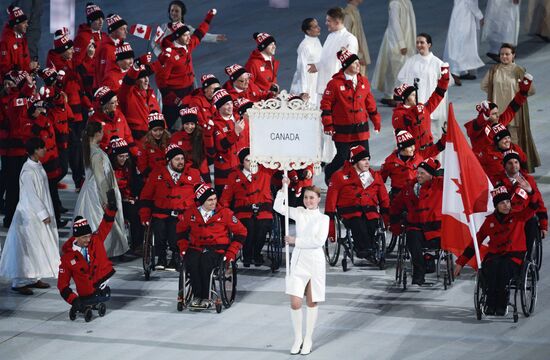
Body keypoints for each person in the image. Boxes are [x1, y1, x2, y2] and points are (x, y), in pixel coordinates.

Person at [454, 186, 539, 316]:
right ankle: (490, 303)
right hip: (495, 256)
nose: (506, 205)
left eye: (507, 202)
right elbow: (475, 243)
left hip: (514, 256)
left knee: (504, 269)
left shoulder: (518, 216)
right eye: (502, 203)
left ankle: (501, 304)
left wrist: (531, 192)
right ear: (496, 206)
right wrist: (461, 262)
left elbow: (533, 207)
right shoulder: (490, 221)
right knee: (491, 268)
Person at [273, 177, 329, 355]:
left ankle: (308, 337)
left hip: (315, 262)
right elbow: (278, 207)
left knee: (312, 301)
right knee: (296, 302)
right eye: (306, 198)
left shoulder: (324, 218)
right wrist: (284, 187)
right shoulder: (298, 212)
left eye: (312, 198)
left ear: (318, 199)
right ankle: (298, 337)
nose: (308, 201)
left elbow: (318, 241)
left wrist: (295, 240)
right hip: (298, 262)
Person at [0, 138, 59, 295]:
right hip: (29, 216)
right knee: (26, 247)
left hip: (36, 216)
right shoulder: (27, 170)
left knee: (37, 246)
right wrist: (43, 213)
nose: (45, 150)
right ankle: (19, 281)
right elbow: (31, 195)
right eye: (42, 148)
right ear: (35, 150)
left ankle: (33, 277)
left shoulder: (37, 166)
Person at [176, 183, 246, 309]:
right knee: (191, 261)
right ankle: (197, 296)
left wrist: (231, 252)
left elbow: (241, 232)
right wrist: (183, 247)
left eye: (215, 199)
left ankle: (206, 297)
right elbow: (180, 231)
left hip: (218, 249)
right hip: (196, 247)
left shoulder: (225, 213)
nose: (213, 202)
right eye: (210, 200)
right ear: (202, 201)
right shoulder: (190, 213)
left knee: (206, 261)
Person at [320, 48, 380, 185]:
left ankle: (364, 186)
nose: (359, 66)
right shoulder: (334, 84)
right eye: (355, 63)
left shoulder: (364, 81)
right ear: (347, 66)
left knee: (364, 157)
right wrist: (328, 124)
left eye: (358, 63)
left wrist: (376, 121)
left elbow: (370, 102)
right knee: (343, 158)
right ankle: (330, 171)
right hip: (343, 130)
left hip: (361, 129)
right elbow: (326, 105)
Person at [139, 144, 202, 270]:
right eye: (177, 159)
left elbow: (201, 194)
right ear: (169, 160)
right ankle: (161, 257)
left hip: (183, 214)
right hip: (161, 212)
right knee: (159, 228)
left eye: (182, 159)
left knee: (175, 228)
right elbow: (146, 196)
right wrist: (144, 215)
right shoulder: (157, 173)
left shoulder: (193, 173)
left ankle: (176, 256)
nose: (181, 162)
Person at [481, 44, 539, 173]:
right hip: (497, 116)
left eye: (507, 54)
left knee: (513, 143)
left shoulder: (519, 70)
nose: (504, 56)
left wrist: (517, 96)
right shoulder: (494, 70)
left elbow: (531, 90)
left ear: (513, 55)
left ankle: (516, 171)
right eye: (502, 54)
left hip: (514, 114)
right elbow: (484, 85)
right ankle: (500, 169)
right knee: (497, 143)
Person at [325, 145, 390, 261]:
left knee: (372, 223)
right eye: (363, 160)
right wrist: (330, 228)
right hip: (349, 211)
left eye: (368, 160)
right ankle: (364, 249)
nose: (367, 163)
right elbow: (330, 201)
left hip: (370, 210)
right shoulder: (339, 176)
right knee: (358, 223)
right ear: (354, 162)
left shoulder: (375, 176)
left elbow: (384, 198)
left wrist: (386, 217)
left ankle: (369, 248)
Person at [74, 121, 128, 258]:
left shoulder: (88, 148)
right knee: (101, 223)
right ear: (97, 133)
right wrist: (106, 200)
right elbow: (100, 178)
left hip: (88, 192)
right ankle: (101, 251)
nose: (103, 133)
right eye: (102, 131)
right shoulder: (96, 153)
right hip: (97, 193)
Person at [156, 9, 216, 130]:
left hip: (189, 90)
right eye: (185, 35)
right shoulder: (170, 55)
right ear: (177, 37)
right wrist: (174, 99)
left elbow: (199, 33)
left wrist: (209, 17)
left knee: (190, 121)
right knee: (168, 125)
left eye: (189, 35)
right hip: (174, 96)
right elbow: (160, 80)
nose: (189, 38)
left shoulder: (187, 46)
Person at [57, 191, 118, 309]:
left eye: (89, 235)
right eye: (84, 237)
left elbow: (105, 225)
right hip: (84, 291)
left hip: (101, 280)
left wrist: (111, 209)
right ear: (76, 237)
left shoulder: (96, 239)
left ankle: (101, 291)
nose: (88, 239)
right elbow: (62, 284)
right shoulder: (67, 258)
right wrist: (73, 300)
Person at [390, 158, 443, 285]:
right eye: (417, 172)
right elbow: (396, 206)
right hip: (415, 227)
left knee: (434, 242)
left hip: (435, 229)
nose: (418, 175)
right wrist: (394, 224)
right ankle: (419, 271)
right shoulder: (408, 188)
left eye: (422, 173)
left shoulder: (440, 185)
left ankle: (429, 260)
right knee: (412, 238)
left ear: (431, 175)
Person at [220, 148, 276, 267]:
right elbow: (225, 198)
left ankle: (257, 254)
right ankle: (247, 255)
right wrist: (223, 213)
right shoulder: (233, 175)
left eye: (253, 160)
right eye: (247, 160)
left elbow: (281, 162)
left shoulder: (266, 170)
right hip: (243, 210)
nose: (251, 163)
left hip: (264, 209)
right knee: (248, 228)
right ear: (242, 162)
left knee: (262, 228)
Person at [397, 33, 453, 138]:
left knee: (434, 136)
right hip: (416, 108)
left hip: (432, 106)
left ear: (429, 45)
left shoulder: (437, 63)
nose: (419, 45)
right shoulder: (411, 61)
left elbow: (449, 81)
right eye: (417, 42)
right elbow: (402, 78)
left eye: (422, 42)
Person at [494, 150, 548, 259]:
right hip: (505, 216)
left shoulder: (528, 180)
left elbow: (539, 203)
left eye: (516, 162)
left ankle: (527, 257)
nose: (514, 165)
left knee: (532, 221)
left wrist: (543, 225)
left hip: (524, 216)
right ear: (504, 165)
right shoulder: (497, 180)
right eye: (510, 163)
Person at [465, 73, 532, 155]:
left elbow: (512, 108)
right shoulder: (477, 127)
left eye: (497, 113)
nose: (497, 116)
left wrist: (522, 93)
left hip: (500, 160)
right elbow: (475, 127)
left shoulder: (500, 121)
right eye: (493, 114)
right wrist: (484, 117)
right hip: (482, 163)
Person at [392, 63, 450, 149]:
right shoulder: (398, 115)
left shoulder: (422, 108)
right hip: (414, 154)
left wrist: (444, 79)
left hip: (429, 151)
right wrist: (413, 115)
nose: (415, 97)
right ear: (405, 98)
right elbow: (401, 136)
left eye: (415, 94)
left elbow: (438, 95)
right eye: (412, 95)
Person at [372, 0, 416, 107]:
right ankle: (397, 96)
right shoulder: (395, 3)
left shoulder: (406, 2)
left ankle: (390, 95)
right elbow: (394, 24)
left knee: (394, 69)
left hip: (406, 39)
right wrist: (401, 43)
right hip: (395, 41)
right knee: (397, 69)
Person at [380, 129, 446, 197]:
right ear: (402, 148)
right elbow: (379, 181)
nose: (413, 148)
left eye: (413, 145)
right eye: (409, 147)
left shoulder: (418, 155)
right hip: (398, 196)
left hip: (416, 194)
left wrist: (446, 135)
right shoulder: (390, 161)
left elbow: (435, 148)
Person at [150, 0, 227, 57]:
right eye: (172, 10)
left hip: (185, 63)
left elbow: (199, 34)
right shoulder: (163, 27)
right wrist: (161, 55)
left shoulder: (186, 29)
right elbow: (154, 42)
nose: (173, 13)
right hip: (169, 65)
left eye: (176, 11)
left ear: (182, 13)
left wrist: (215, 37)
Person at [312, 7, 358, 98]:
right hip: (323, 86)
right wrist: (317, 66)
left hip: (338, 89)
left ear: (337, 22)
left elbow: (351, 66)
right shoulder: (330, 37)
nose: (326, 23)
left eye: (329, 21)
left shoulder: (349, 39)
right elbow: (327, 58)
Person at [108, 137, 142, 255]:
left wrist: (133, 197)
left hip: (128, 200)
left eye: (125, 156)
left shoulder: (130, 165)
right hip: (113, 201)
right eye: (120, 156)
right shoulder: (108, 168)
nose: (123, 159)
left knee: (136, 213)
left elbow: (136, 183)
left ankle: (137, 244)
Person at [211, 89, 248, 196]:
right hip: (225, 171)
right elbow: (221, 145)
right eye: (226, 104)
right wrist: (235, 132)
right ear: (219, 106)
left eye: (231, 103)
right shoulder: (216, 124)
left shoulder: (239, 119)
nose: (230, 106)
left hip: (242, 167)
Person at [443, 0, 485, 82]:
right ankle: (455, 71)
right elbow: (470, 2)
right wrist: (480, 16)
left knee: (462, 42)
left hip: (463, 13)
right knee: (461, 42)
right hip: (464, 15)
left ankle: (461, 71)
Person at [89, 86, 137, 155]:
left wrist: (135, 153)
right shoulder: (94, 121)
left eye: (117, 101)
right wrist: (110, 150)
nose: (117, 104)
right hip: (104, 159)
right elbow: (93, 145)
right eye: (113, 103)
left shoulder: (119, 115)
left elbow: (128, 136)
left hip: (122, 158)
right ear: (105, 105)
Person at [170, 107, 213, 183]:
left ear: (196, 124)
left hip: (201, 172)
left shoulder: (202, 135)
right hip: (183, 172)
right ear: (183, 124)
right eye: (187, 124)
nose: (189, 127)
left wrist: (208, 135)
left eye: (192, 124)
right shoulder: (175, 137)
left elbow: (210, 153)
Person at [290, 18, 322, 105]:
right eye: (315, 27)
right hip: (308, 80)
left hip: (317, 78)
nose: (319, 28)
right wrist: (303, 91)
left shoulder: (316, 41)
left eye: (318, 25)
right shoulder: (304, 46)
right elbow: (301, 68)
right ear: (308, 31)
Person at [0, 5, 39, 75]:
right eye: (24, 23)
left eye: (26, 22)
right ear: (15, 25)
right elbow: (4, 68)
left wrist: (31, 67)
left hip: (22, 80)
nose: (27, 25)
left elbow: (25, 62)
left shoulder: (21, 37)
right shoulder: (6, 41)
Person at [94, 13, 128, 89]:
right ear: (113, 31)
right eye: (122, 29)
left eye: (126, 29)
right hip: (111, 90)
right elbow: (102, 73)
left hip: (119, 85)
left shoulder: (120, 45)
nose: (126, 32)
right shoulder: (106, 48)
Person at [136, 111, 171, 179]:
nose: (158, 133)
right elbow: (142, 165)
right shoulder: (144, 144)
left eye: (160, 130)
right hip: (151, 177)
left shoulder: (169, 140)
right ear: (150, 130)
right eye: (155, 130)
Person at [343, 0, 371, 76]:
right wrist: (359, 55)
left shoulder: (354, 11)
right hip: (354, 58)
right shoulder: (348, 14)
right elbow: (346, 38)